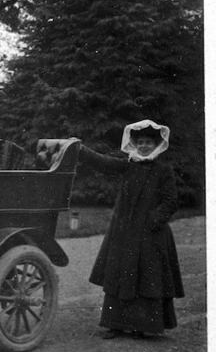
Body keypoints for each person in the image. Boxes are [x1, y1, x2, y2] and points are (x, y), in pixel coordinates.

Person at [78, 119, 184, 339]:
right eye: (141, 142)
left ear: (156, 145)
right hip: (124, 232)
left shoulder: (163, 171)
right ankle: (114, 325)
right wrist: (80, 149)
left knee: (147, 277)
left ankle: (143, 326)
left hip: (151, 234)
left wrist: (154, 220)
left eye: (148, 142)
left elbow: (171, 201)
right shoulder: (128, 165)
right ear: (134, 144)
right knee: (119, 274)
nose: (144, 146)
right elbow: (103, 162)